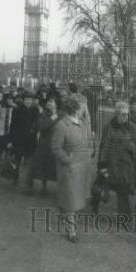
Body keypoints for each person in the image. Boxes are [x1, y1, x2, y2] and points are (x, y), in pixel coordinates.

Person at [51, 96, 92, 242]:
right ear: (74, 110)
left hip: (81, 167)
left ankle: (65, 216)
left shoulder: (81, 123)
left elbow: (87, 141)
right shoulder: (61, 126)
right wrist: (68, 160)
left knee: (74, 199)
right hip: (69, 168)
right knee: (71, 201)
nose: (84, 110)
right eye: (82, 108)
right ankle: (72, 231)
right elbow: (56, 147)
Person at [95, 101, 136, 221]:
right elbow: (105, 146)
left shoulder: (132, 128)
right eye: (122, 114)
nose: (125, 117)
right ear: (116, 115)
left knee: (123, 191)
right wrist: (102, 165)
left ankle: (125, 218)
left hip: (126, 166)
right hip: (112, 164)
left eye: (126, 114)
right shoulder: (109, 127)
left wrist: (132, 148)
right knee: (100, 184)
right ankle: (94, 204)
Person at [25, 96, 58, 194]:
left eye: (51, 101)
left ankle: (46, 187)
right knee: (38, 166)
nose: (49, 103)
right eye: (48, 101)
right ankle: (30, 186)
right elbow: (42, 127)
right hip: (43, 145)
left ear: (56, 105)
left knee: (52, 167)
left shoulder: (60, 115)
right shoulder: (43, 114)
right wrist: (52, 118)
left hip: (55, 144)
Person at [8, 92, 39, 185]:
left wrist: (36, 133)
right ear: (23, 100)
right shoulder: (17, 110)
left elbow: (37, 124)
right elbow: (13, 125)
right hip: (19, 139)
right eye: (27, 99)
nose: (28, 101)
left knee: (29, 160)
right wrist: (11, 140)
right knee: (17, 159)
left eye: (30, 100)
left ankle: (29, 180)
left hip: (30, 139)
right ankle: (15, 177)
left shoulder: (35, 110)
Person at [0, 91, 14, 162]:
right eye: (8, 99)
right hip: (1, 129)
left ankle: (6, 160)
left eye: (11, 99)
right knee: (1, 146)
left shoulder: (13, 107)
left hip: (10, 129)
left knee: (8, 146)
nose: (10, 100)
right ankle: (0, 159)